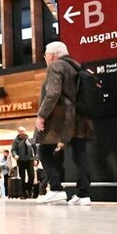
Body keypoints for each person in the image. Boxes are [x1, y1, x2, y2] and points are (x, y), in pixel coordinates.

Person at [34, 41, 94, 206]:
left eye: (45, 54)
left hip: (61, 118)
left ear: (52, 55)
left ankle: (56, 189)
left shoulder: (56, 66)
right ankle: (83, 194)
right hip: (80, 117)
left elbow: (53, 92)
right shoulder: (76, 67)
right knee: (80, 154)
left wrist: (41, 115)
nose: (45, 58)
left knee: (44, 150)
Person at [11, 126, 36, 199]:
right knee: (22, 177)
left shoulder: (29, 139)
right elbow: (13, 150)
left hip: (29, 160)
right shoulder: (16, 141)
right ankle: (23, 193)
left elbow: (34, 148)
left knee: (32, 176)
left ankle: (29, 188)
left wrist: (35, 158)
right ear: (18, 132)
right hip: (21, 161)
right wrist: (15, 155)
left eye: (24, 131)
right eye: (21, 131)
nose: (23, 133)